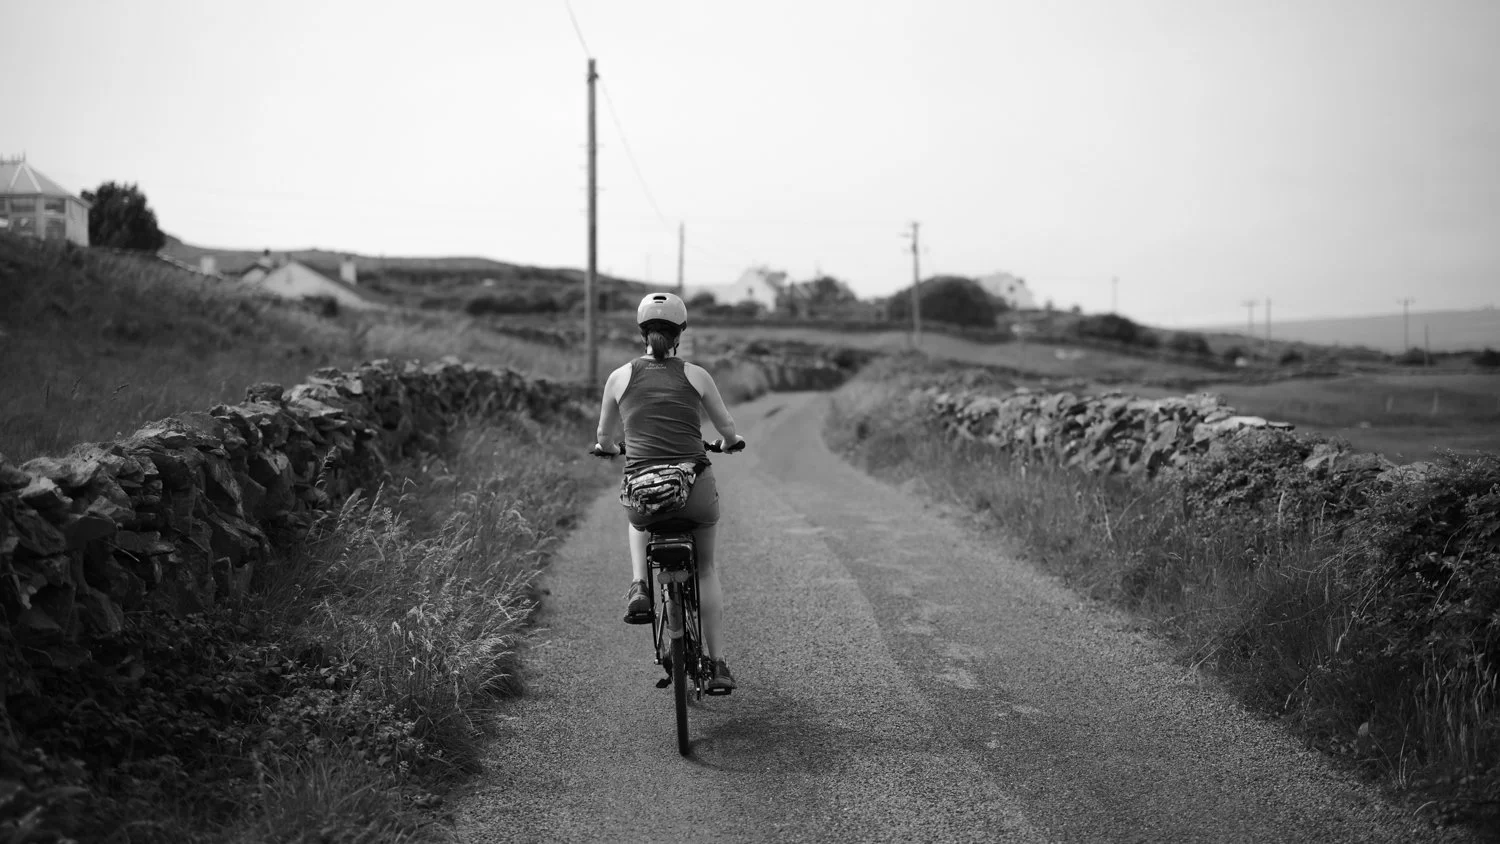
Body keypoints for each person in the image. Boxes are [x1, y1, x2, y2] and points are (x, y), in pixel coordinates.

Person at [593, 292, 745, 693]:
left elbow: (604, 438)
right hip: (694, 487)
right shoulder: (696, 375)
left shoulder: (619, 377)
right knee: (707, 569)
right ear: (680, 333)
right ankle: (717, 665)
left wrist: (609, 450)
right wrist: (730, 441)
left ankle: (640, 585)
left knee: (636, 519)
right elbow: (727, 430)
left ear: (642, 331)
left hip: (644, 491)